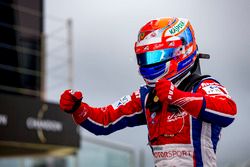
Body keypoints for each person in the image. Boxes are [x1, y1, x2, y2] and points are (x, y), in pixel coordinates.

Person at [59, 17, 237, 167]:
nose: (150, 62)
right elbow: (104, 121)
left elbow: (228, 111)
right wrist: (78, 108)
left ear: (182, 50)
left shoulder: (203, 85)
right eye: (145, 57)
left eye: (157, 56)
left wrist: (177, 97)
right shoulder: (146, 96)